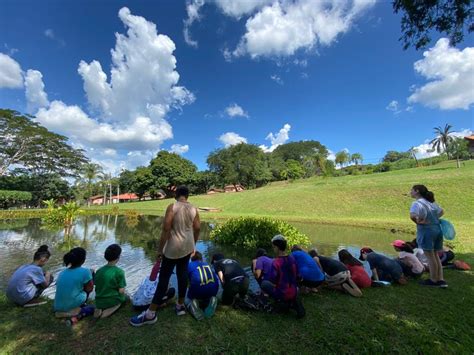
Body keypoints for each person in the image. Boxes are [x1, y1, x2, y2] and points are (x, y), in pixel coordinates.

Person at [130, 186, 200, 326]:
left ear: (176, 194)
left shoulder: (172, 207)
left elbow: (166, 229)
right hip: (187, 247)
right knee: (182, 274)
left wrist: (160, 250)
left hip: (172, 248)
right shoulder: (194, 209)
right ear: (187, 195)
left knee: (163, 279)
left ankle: (150, 314)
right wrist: (193, 244)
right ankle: (180, 306)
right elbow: (197, 228)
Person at [409, 184, 447, 287]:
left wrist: (418, 222)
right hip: (437, 230)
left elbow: (412, 215)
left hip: (427, 231)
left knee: (430, 256)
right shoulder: (431, 202)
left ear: (417, 191)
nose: (410, 192)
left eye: (412, 190)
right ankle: (441, 279)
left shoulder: (417, 203)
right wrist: (434, 219)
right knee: (435, 254)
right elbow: (442, 211)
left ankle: (433, 280)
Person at [260, 235, 305, 318]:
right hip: (294, 291)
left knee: (264, 284)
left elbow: (273, 281)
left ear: (277, 247)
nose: (273, 249)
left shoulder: (276, 262)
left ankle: (281, 302)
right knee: (290, 288)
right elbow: (298, 276)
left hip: (283, 293)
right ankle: (293, 302)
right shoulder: (292, 259)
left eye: (273, 247)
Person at [54, 247, 94, 317]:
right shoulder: (85, 271)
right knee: (92, 309)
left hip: (57, 306)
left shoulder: (62, 272)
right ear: (83, 260)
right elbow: (89, 289)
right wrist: (92, 276)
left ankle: (64, 311)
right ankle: (77, 308)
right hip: (72, 305)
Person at [93, 244, 127, 319]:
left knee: (103, 300)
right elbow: (121, 291)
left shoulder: (99, 271)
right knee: (124, 299)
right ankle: (107, 312)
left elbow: (96, 284)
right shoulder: (119, 272)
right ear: (118, 257)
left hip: (99, 300)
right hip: (112, 300)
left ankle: (99, 309)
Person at [186, 251, 219, 320]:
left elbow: (186, 281)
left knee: (186, 299)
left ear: (191, 258)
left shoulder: (189, 265)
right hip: (213, 291)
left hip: (198, 291)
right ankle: (211, 300)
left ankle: (192, 304)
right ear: (201, 258)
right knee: (207, 290)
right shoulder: (207, 265)